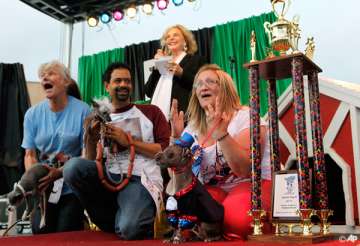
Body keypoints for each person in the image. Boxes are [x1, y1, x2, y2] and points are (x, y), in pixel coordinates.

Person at [63, 62, 171, 240]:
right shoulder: (97, 117)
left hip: (141, 179)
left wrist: (129, 142)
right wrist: (91, 138)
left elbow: (165, 152)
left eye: (127, 81)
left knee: (130, 229)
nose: (123, 85)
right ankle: (118, 218)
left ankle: (130, 219)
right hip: (108, 178)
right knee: (72, 168)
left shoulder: (151, 111)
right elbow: (90, 161)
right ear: (107, 86)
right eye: (118, 81)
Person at [170, 64, 272, 239]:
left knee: (240, 221)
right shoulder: (192, 128)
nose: (204, 87)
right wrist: (175, 141)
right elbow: (177, 178)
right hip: (213, 190)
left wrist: (222, 134)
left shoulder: (246, 117)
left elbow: (244, 169)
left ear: (225, 88)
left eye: (210, 81)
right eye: (199, 84)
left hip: (254, 184)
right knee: (184, 220)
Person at [21, 60, 91, 234]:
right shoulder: (32, 114)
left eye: (51, 73)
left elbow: (87, 155)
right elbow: (29, 154)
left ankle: (81, 221)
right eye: (42, 75)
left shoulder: (84, 111)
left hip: (71, 188)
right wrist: (33, 182)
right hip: (43, 190)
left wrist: (59, 173)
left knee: (65, 232)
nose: (45, 76)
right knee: (39, 231)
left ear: (66, 82)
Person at [144, 24, 206, 120]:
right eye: (168, 37)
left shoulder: (195, 60)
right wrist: (157, 67)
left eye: (175, 35)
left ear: (185, 41)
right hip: (157, 121)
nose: (171, 38)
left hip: (182, 118)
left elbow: (202, 86)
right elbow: (148, 92)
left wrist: (182, 73)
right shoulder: (162, 62)